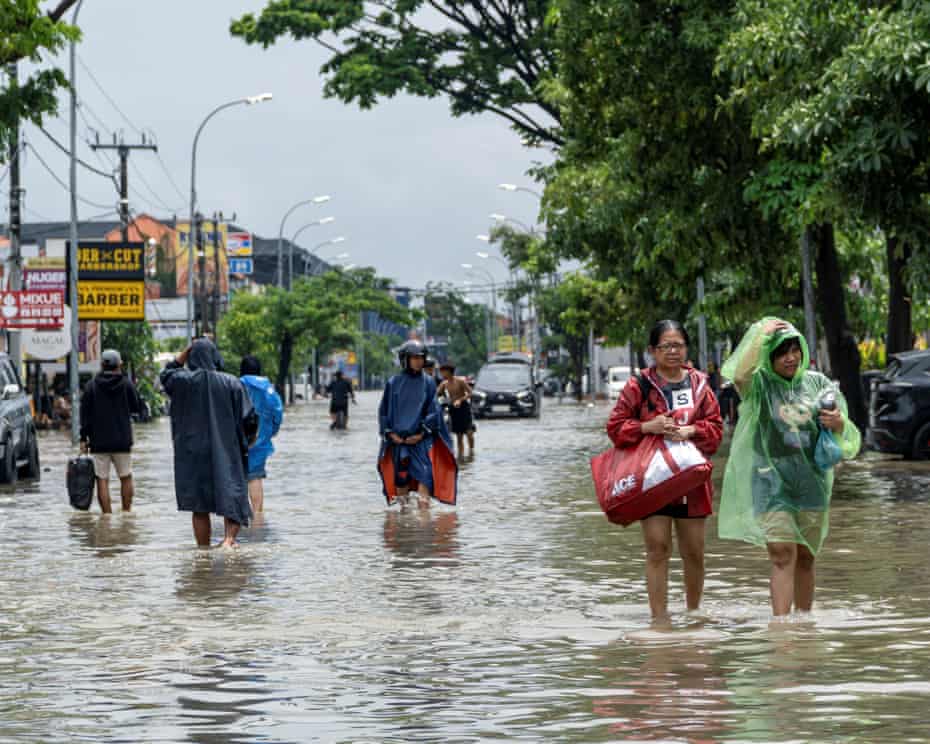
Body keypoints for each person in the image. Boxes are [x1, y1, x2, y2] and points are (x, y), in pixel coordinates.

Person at [718, 318, 860, 616]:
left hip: (812, 484)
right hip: (770, 483)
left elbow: (844, 433)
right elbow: (739, 375)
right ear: (769, 356)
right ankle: (781, 628)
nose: (791, 357)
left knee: (806, 557)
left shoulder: (818, 384)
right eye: (782, 352)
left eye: (795, 350)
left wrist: (838, 423)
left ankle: (804, 625)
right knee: (782, 554)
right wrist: (761, 334)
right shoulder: (760, 386)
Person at [606, 320, 723, 623]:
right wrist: (648, 426)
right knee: (657, 548)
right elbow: (616, 428)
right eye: (666, 346)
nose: (673, 351)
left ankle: (694, 614)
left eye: (678, 345)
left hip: (692, 479)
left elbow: (716, 430)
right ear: (652, 350)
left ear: (686, 348)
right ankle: (659, 619)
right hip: (653, 479)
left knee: (694, 551)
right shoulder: (638, 386)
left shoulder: (700, 385)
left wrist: (691, 430)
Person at [161, 338, 257, 548]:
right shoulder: (232, 382)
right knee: (233, 495)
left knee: (199, 505)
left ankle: (203, 550)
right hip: (227, 449)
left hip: (192, 452)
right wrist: (247, 443)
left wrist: (184, 353)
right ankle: (228, 541)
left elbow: (165, 374)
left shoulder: (181, 381)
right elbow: (249, 418)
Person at [377, 340, 458, 508]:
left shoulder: (428, 382)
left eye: (421, 358)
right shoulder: (393, 382)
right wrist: (390, 433)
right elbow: (383, 411)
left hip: (421, 442)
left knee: (425, 478)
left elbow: (434, 411)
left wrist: (421, 433)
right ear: (405, 359)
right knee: (402, 484)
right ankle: (404, 520)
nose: (418, 361)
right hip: (399, 442)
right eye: (414, 358)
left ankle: (424, 518)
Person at [79, 349, 143, 513]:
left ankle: (106, 516)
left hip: (98, 441)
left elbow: (84, 416)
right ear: (119, 365)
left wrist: (83, 438)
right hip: (122, 439)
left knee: (102, 479)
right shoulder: (126, 384)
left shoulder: (91, 386)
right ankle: (127, 513)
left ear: (101, 365)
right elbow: (136, 407)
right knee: (126, 476)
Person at [239, 355, 283, 514]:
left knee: (234, 478)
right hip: (260, 440)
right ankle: (258, 517)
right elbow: (277, 413)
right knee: (255, 477)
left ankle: (235, 517)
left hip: (235, 439)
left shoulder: (235, 385)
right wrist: (272, 432)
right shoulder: (268, 389)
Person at [438, 361, 476, 458]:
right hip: (453, 409)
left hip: (464, 408)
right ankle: (460, 456)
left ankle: (471, 452)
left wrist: (460, 400)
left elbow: (470, 393)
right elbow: (436, 394)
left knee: (469, 432)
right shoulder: (444, 384)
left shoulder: (460, 381)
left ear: (449, 372)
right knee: (459, 435)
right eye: (441, 372)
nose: (442, 374)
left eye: (443, 372)